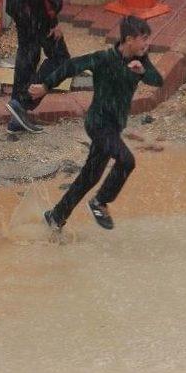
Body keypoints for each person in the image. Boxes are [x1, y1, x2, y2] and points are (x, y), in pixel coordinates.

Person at [28, 16, 163, 231]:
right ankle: (100, 202)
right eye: (143, 39)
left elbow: (158, 81)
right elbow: (72, 66)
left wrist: (142, 72)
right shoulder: (103, 58)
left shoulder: (142, 60)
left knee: (90, 177)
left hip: (114, 128)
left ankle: (56, 216)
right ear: (129, 39)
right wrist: (46, 86)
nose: (147, 44)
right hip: (99, 124)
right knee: (127, 161)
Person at [3, 0, 70, 134]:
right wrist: (52, 20)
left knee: (28, 55)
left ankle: (17, 116)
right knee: (61, 59)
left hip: (22, 8)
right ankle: (22, 103)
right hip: (35, 13)